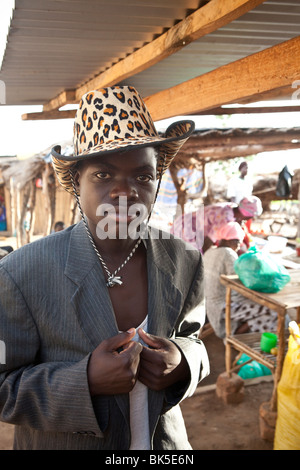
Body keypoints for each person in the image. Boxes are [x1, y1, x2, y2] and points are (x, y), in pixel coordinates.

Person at [0, 86, 209, 450]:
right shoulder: (21, 273)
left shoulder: (184, 260)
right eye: (103, 175)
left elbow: (194, 340)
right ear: (76, 183)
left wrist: (183, 361)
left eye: (142, 176)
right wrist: (85, 381)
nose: (124, 191)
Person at [203, 222, 277, 339]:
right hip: (222, 305)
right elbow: (237, 286)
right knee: (270, 309)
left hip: (208, 303)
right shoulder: (229, 254)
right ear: (229, 240)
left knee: (259, 306)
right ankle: (233, 337)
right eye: (238, 242)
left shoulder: (209, 251)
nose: (238, 246)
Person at [171, 195, 262, 253]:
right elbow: (207, 243)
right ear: (246, 214)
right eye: (250, 217)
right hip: (187, 230)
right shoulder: (225, 219)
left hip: (184, 222)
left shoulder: (231, 207)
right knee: (190, 258)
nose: (250, 219)